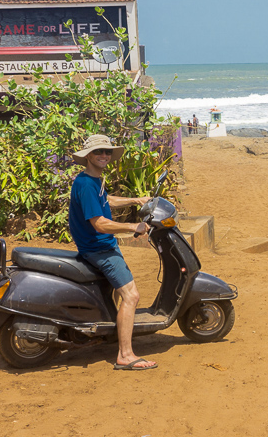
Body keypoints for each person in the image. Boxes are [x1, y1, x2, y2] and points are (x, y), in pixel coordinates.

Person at [69, 134, 157, 371]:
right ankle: (125, 355)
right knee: (131, 296)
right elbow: (99, 223)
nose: (104, 156)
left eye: (107, 152)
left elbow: (105, 201)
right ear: (88, 156)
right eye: (99, 152)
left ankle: (114, 334)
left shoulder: (92, 179)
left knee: (120, 294)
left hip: (101, 245)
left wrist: (134, 199)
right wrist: (132, 227)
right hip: (99, 248)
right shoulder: (87, 185)